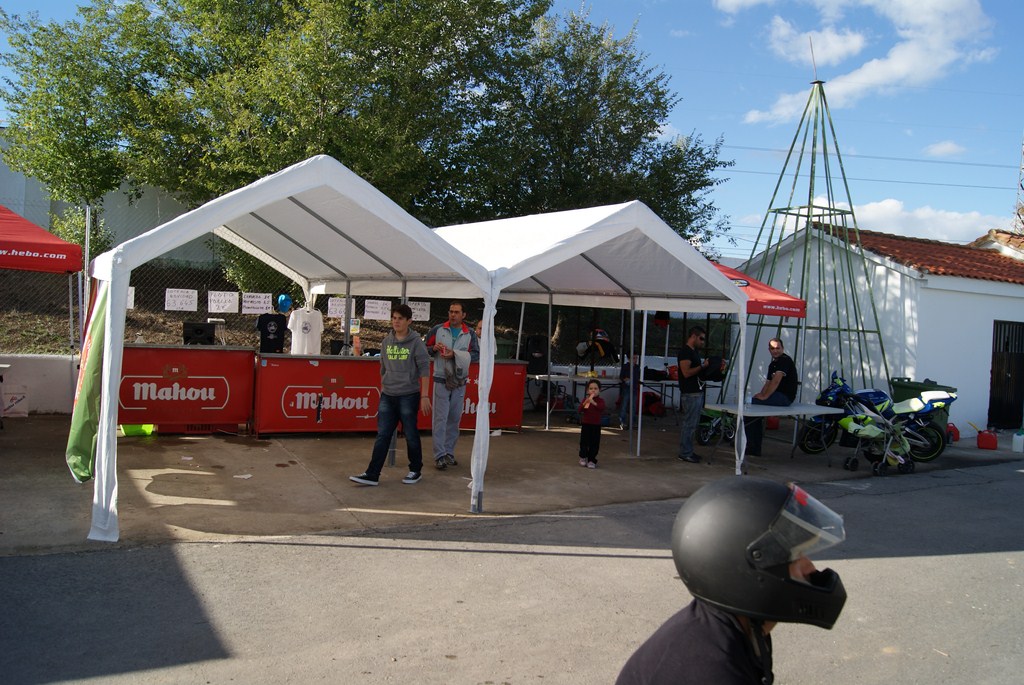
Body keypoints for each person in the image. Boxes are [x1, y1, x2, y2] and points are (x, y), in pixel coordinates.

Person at [616, 477, 847, 684]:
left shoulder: (729, 629)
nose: (810, 567)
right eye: (796, 557)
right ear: (748, 569)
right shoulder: (713, 670)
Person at [349, 304, 432, 486]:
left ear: (409, 321)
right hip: (388, 395)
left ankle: (415, 470)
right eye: (394, 318)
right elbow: (383, 368)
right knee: (383, 435)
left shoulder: (416, 343)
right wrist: (385, 387)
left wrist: (425, 396)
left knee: (410, 434)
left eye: (400, 318)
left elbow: (424, 369)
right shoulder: (386, 342)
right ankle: (372, 474)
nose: (396, 321)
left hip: (408, 395)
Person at [425, 300, 480, 470]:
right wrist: (434, 348)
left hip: (459, 380)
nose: (453, 315)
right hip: (441, 378)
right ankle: (439, 455)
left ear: (464, 315)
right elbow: (425, 348)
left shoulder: (470, 333)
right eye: (451, 311)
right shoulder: (437, 329)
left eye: (456, 312)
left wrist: (455, 354)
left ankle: (449, 452)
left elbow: (476, 355)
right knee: (440, 419)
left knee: (454, 418)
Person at [746, 337, 798, 457]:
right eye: (772, 348)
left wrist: (764, 397)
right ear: (769, 350)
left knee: (749, 410)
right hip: (776, 396)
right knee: (752, 409)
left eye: (777, 348)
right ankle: (753, 446)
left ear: (782, 348)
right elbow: (768, 383)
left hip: (785, 397)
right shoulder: (773, 364)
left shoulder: (784, 360)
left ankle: (753, 446)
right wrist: (760, 395)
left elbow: (776, 381)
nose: (775, 351)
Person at [676, 326, 710, 464]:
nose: (702, 342)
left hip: (696, 392)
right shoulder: (685, 352)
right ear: (694, 336)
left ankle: (688, 450)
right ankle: (685, 452)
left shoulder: (693, 352)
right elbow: (686, 372)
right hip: (690, 393)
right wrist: (702, 366)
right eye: (701, 338)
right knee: (689, 424)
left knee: (693, 424)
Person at [577, 379, 605, 468]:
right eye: (591, 388)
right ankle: (583, 457)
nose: (593, 390)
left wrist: (594, 402)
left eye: (595, 389)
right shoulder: (585, 400)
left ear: (599, 390)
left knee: (594, 443)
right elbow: (580, 410)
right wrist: (585, 402)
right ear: (587, 390)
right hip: (586, 424)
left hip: (596, 425)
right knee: (584, 442)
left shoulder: (600, 401)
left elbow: (601, 408)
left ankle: (591, 460)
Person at [618, 354, 640, 428]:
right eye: (633, 358)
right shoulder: (625, 366)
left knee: (633, 406)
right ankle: (622, 421)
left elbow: (638, 377)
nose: (635, 360)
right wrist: (625, 379)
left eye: (636, 358)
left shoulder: (637, 367)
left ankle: (632, 421)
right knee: (624, 405)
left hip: (634, 388)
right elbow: (621, 377)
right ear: (629, 359)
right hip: (626, 388)